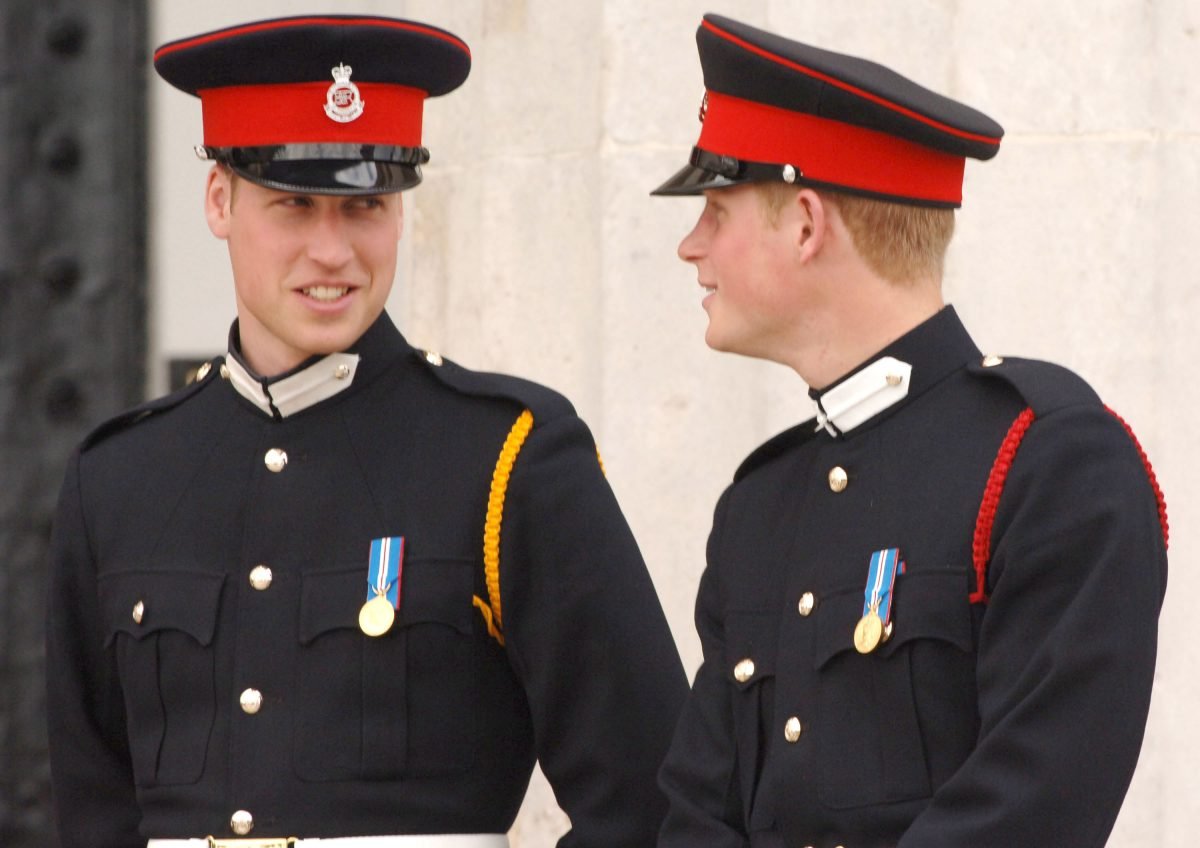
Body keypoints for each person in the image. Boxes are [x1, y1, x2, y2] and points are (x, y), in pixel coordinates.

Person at [45, 14, 687, 848]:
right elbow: (96, 812)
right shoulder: (118, 476)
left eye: (366, 206)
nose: (333, 250)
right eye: (295, 205)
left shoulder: (509, 456)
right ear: (219, 200)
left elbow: (651, 803)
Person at [651, 14, 1168, 848]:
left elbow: (1034, 808)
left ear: (807, 225)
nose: (689, 245)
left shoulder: (1048, 460)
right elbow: (696, 811)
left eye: (715, 209)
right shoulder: (758, 506)